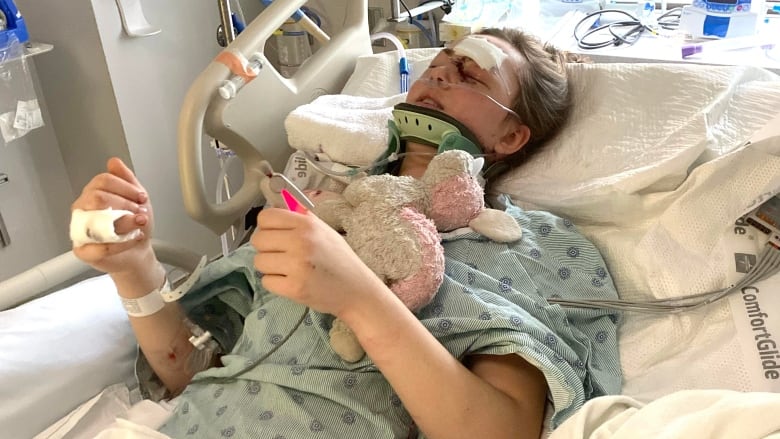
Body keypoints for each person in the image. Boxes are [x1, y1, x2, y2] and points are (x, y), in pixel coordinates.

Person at [72, 28, 621, 438]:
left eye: (471, 74)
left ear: (510, 135)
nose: (440, 74)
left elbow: (501, 430)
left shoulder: (517, 246)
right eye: (440, 62)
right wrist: (135, 268)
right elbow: (194, 374)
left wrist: (359, 298)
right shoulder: (319, 213)